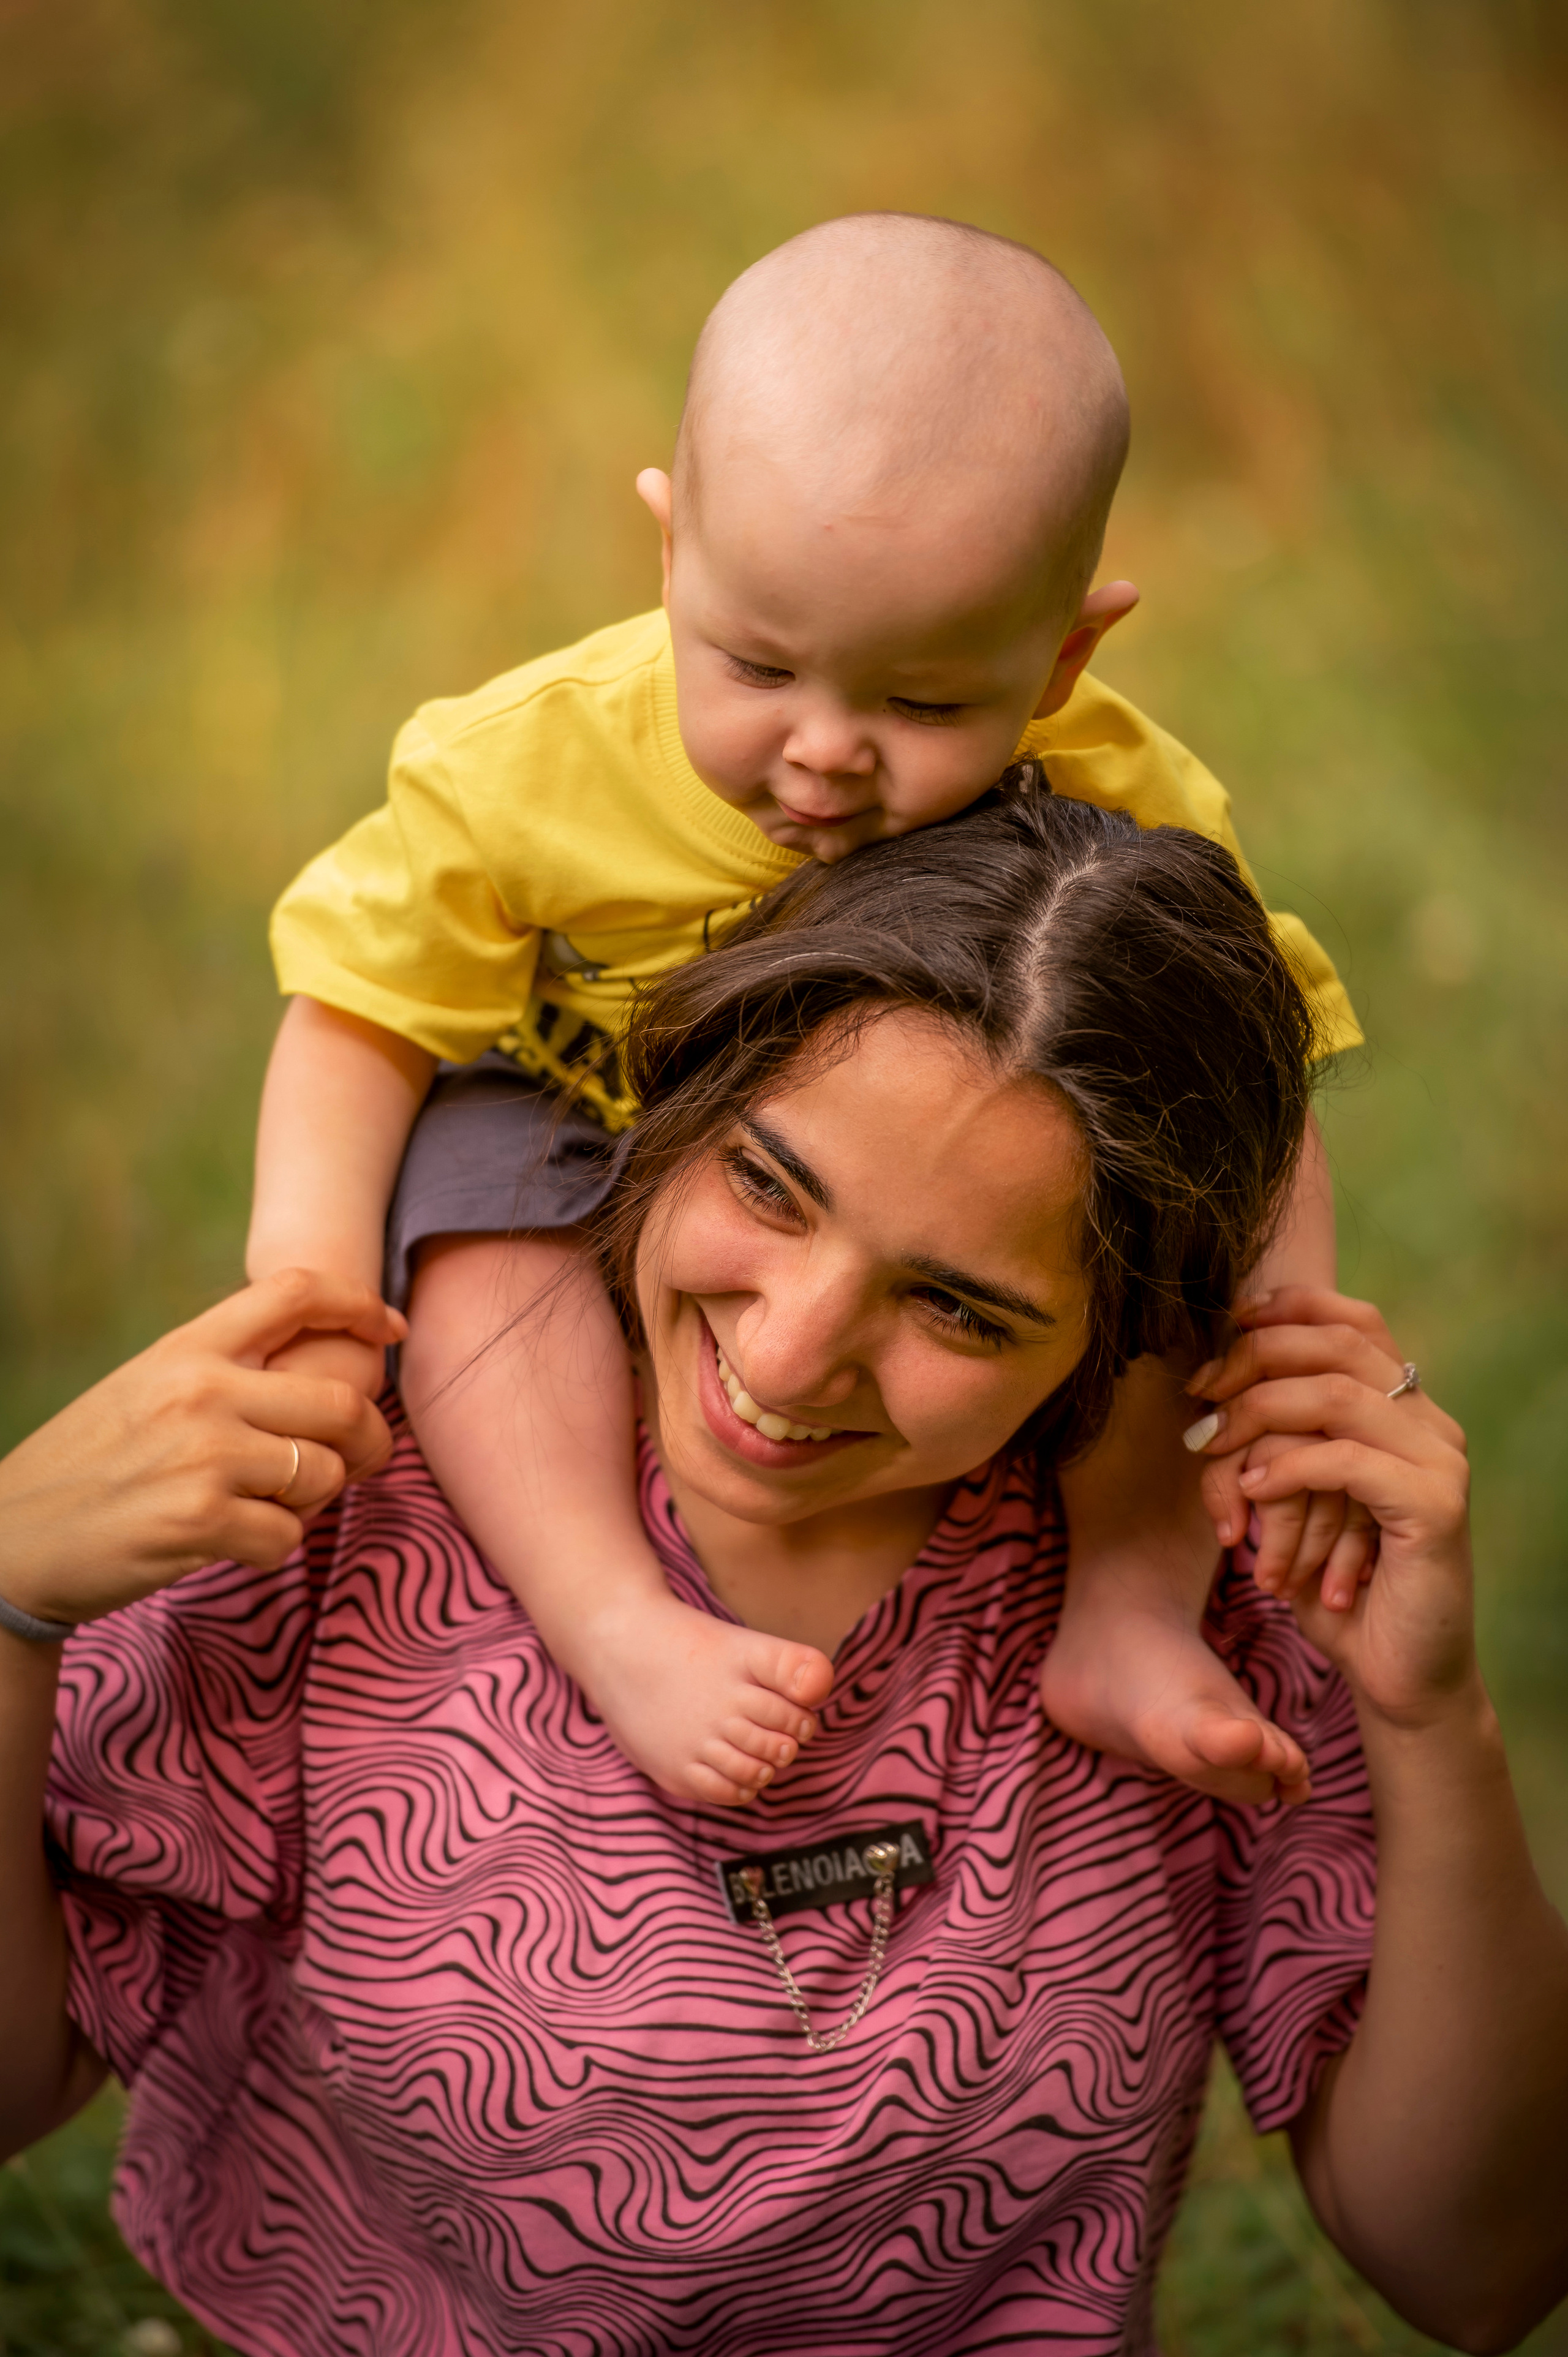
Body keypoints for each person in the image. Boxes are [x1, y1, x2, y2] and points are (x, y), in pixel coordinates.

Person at [2, 797, 1565, 2356]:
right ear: (673, 1099)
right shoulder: (363, 1498)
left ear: (1120, 1329)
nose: (788, 1349)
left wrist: (1434, 1720)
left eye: (955, 1305)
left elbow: (1473, 2270)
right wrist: (7, 1603)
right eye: (766, 1184)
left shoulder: (1186, 1600)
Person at [247, 211, 1366, 1812]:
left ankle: (1127, 1609)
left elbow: (1255, 1079)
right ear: (669, 549)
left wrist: (1280, 1335)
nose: (827, 753)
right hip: (593, 1119)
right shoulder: (529, 763)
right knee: (475, 1189)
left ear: (1063, 657)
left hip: (951, 1173)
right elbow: (360, 1009)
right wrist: (303, 1280)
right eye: (758, 665)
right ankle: (610, 1618)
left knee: (1143, 1261)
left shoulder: (1127, 799)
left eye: (923, 703)